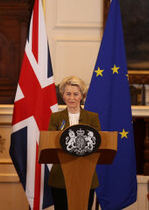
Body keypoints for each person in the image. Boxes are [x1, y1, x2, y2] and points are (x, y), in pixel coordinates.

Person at [48, 76, 101, 210]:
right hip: (60, 176)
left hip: (86, 175)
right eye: (68, 94)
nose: (72, 98)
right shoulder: (56, 118)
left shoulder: (92, 117)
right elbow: (50, 142)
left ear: (82, 96)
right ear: (63, 96)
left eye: (75, 94)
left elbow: (98, 143)